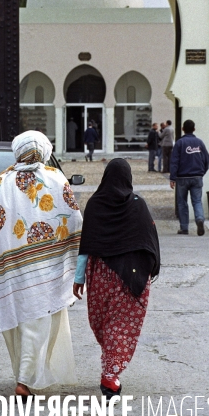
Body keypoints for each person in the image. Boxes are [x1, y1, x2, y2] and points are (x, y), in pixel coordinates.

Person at [0, 130, 82, 400]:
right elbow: (75, 220)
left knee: (23, 321)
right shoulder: (56, 178)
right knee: (40, 321)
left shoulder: (2, 182)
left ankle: (25, 375)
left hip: (15, 267)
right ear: (44, 150)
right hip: (48, 267)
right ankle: (24, 379)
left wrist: (2, 252)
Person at [73, 159, 160, 399]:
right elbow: (149, 242)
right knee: (119, 326)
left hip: (100, 275)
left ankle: (109, 373)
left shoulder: (95, 204)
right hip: (129, 276)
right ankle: (110, 375)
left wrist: (79, 278)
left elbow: (86, 245)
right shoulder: (137, 205)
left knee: (106, 324)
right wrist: (148, 270)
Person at [170, 119, 209, 236]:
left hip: (182, 177)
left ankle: (184, 228)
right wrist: (202, 172)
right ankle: (199, 219)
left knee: (182, 203)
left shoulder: (179, 143)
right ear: (194, 129)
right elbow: (206, 158)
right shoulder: (199, 143)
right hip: (197, 176)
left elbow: (174, 161)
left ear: (183, 129)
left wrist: (173, 178)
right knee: (197, 201)